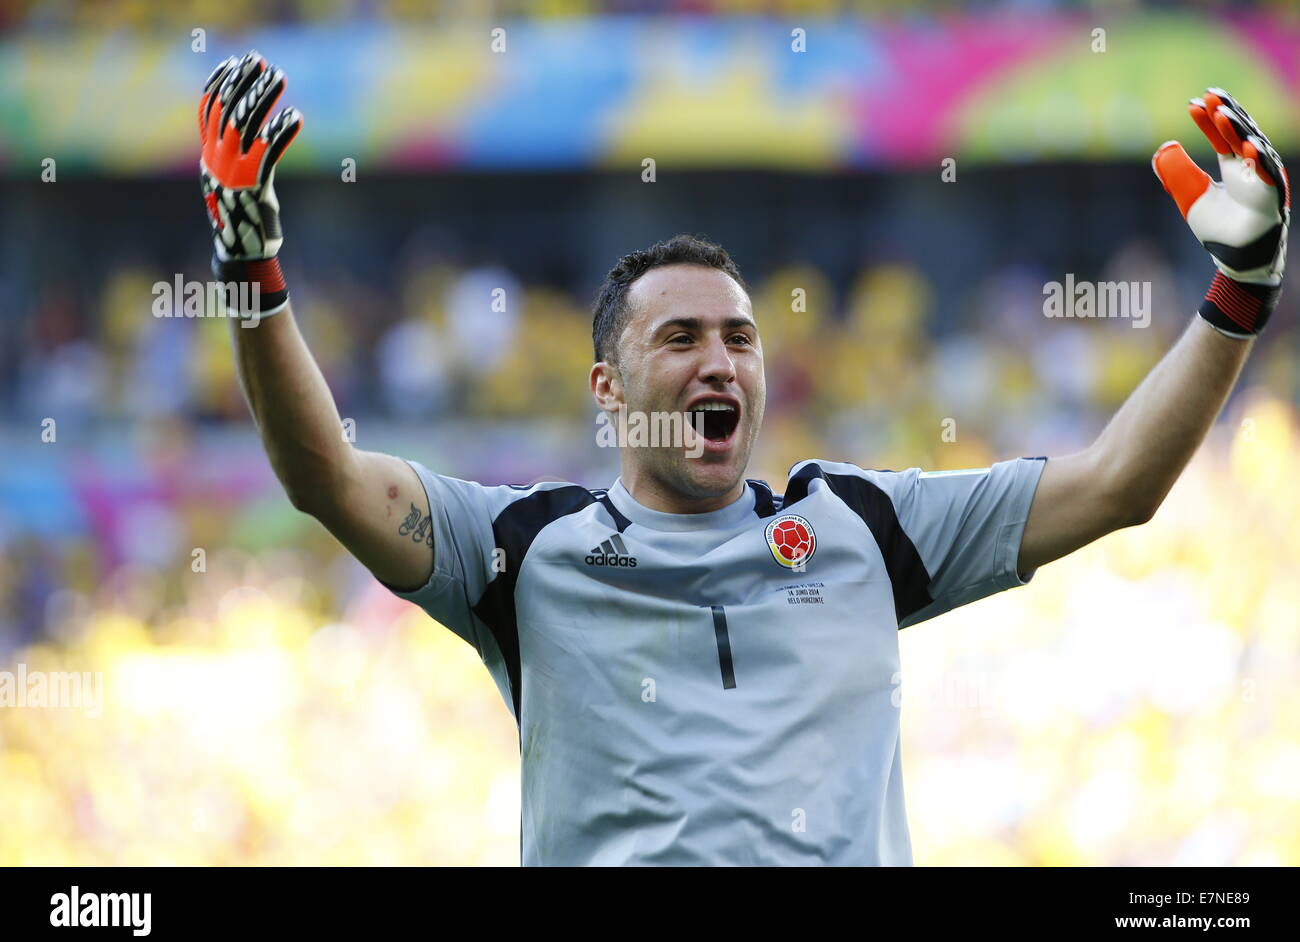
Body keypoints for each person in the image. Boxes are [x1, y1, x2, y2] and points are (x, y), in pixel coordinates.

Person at [198, 51, 1288, 865]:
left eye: (739, 337)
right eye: (679, 339)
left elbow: (1116, 484)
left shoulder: (867, 528)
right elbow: (325, 477)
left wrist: (1237, 293)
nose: (719, 361)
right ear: (606, 390)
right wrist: (251, 270)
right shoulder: (520, 550)